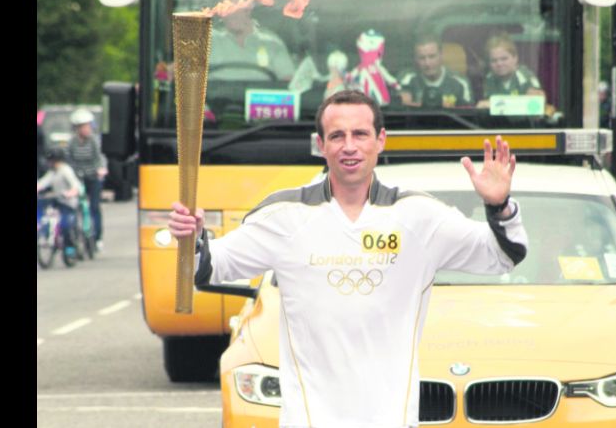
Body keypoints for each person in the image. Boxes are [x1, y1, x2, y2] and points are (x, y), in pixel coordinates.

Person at [168, 89, 528, 428]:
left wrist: (499, 206)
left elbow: (502, 256)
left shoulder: (419, 216)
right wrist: (192, 237)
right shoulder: (285, 215)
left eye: (360, 134)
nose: (349, 146)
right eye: (337, 136)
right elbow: (210, 267)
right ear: (320, 145)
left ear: (380, 140)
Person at [208, 0, 296, 81]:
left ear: (250, 6)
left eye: (239, 2)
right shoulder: (208, 43)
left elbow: (289, 84)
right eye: (226, 4)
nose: (232, 10)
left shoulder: (272, 44)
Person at [67, 108, 107, 252]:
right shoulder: (72, 143)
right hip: (78, 178)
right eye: (83, 126)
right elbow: (69, 160)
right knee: (76, 206)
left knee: (94, 207)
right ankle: (76, 235)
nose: (87, 129)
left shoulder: (93, 141)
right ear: (77, 128)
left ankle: (97, 238)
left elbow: (99, 157)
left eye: (88, 126)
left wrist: (101, 169)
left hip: (93, 177)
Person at [399, 34, 472, 108]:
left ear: (441, 55)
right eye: (422, 58)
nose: (427, 63)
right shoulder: (407, 79)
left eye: (432, 56)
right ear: (416, 59)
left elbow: (469, 112)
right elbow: (399, 110)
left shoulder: (460, 82)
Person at [37, 148, 84, 258]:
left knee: (65, 225)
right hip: (57, 200)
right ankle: (46, 234)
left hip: (68, 202)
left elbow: (76, 185)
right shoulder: (52, 172)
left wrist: (71, 193)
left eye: (53, 160)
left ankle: (69, 247)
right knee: (44, 214)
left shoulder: (66, 170)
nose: (50, 163)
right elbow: (43, 182)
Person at [477, 33, 545, 108]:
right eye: (494, 60)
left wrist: (494, 104)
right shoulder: (489, 79)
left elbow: (536, 105)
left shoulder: (526, 77)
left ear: (515, 58)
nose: (499, 64)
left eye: (504, 59)